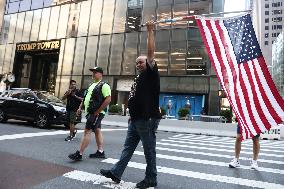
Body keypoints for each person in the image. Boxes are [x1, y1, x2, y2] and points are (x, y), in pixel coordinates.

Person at [100, 20, 161, 189]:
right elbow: (135, 98)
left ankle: (151, 178)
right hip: (136, 120)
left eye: (141, 62)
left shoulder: (151, 74)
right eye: (137, 63)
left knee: (149, 151)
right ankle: (116, 173)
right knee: (128, 148)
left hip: (147, 119)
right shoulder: (139, 78)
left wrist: (150, 31)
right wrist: (131, 117)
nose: (138, 64)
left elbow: (150, 53)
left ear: (148, 63)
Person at [68, 67, 111, 161]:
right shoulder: (92, 85)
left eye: (95, 72)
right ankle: (100, 151)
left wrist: (97, 111)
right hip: (91, 112)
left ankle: (79, 153)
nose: (93, 74)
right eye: (93, 72)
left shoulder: (104, 85)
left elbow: (108, 99)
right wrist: (80, 108)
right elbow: (85, 98)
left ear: (101, 74)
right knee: (97, 130)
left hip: (95, 113)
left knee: (87, 131)